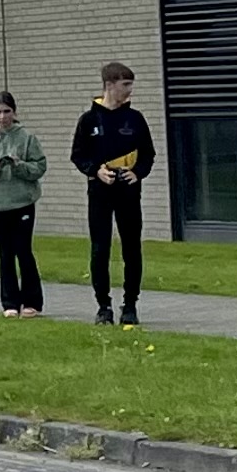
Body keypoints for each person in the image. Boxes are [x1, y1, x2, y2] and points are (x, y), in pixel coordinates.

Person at [71, 61, 156, 327]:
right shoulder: (89, 120)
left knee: (132, 247)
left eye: (131, 85)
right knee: (100, 248)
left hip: (129, 193)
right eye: (125, 85)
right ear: (109, 85)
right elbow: (78, 155)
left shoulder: (135, 118)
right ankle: (103, 306)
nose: (129, 91)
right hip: (100, 193)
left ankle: (130, 304)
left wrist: (137, 172)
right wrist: (96, 171)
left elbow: (148, 154)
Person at [0, 91, 48, 318]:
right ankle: (9, 303)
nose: (3, 117)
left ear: (14, 112)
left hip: (22, 203)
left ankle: (31, 301)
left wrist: (19, 165)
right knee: (5, 254)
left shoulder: (26, 137)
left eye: (7, 111)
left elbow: (39, 167)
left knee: (24, 251)